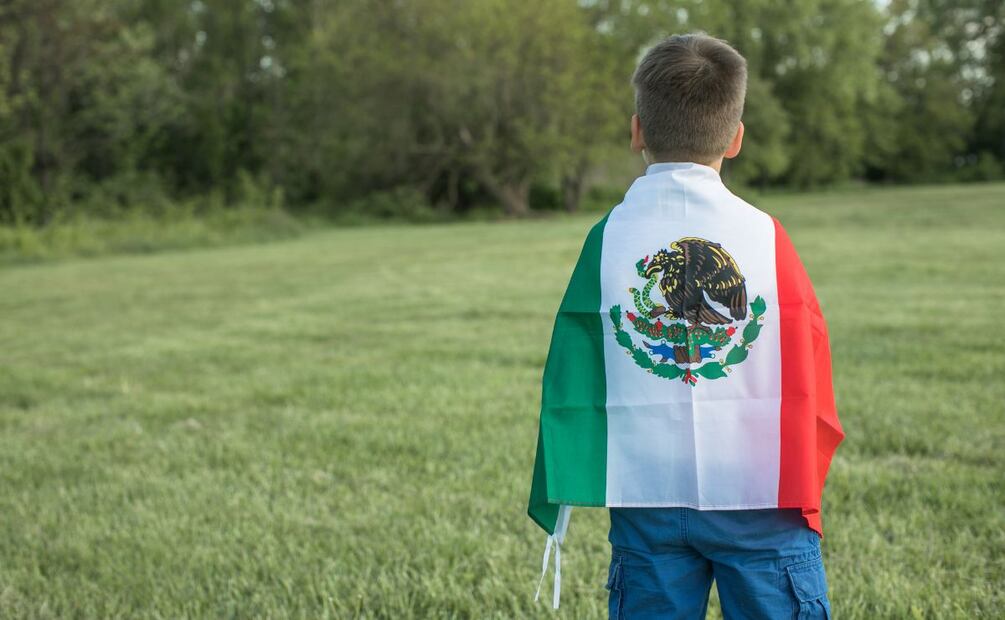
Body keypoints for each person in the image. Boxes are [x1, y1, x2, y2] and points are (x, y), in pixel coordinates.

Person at [527, 33, 844, 619]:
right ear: (737, 137)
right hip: (760, 493)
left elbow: (577, 356)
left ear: (637, 131)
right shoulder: (768, 237)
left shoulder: (608, 238)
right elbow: (809, 361)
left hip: (646, 491)